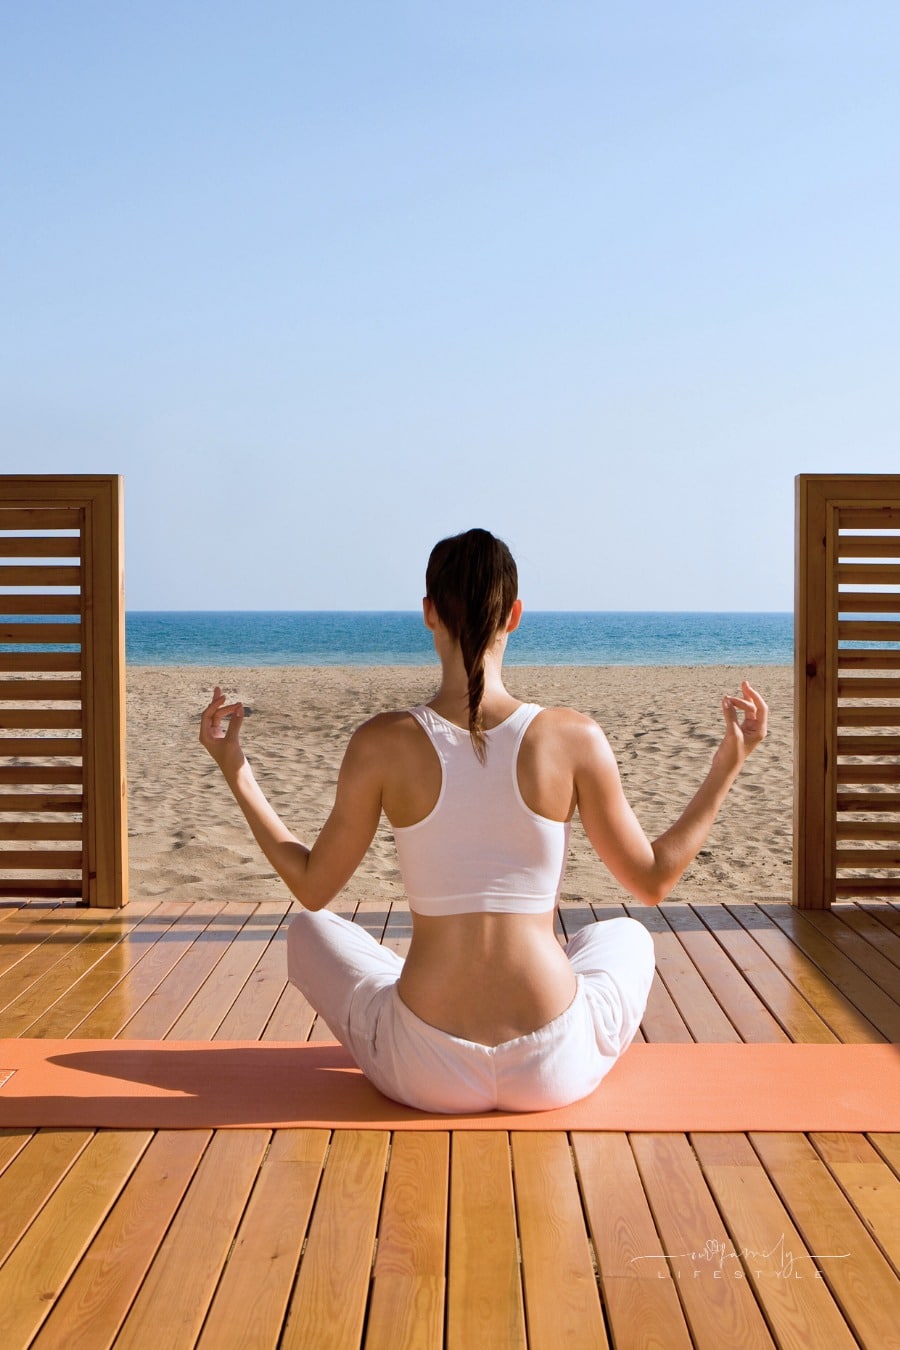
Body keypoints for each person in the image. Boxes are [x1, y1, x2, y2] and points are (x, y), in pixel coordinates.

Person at [199, 528, 767, 1114]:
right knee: (627, 935)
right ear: (515, 615)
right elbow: (653, 882)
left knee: (308, 932)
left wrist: (237, 768)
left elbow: (313, 888)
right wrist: (729, 761)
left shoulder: (381, 742)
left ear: (428, 614)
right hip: (552, 1065)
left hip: (425, 1065)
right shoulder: (573, 736)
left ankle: (429, 975)